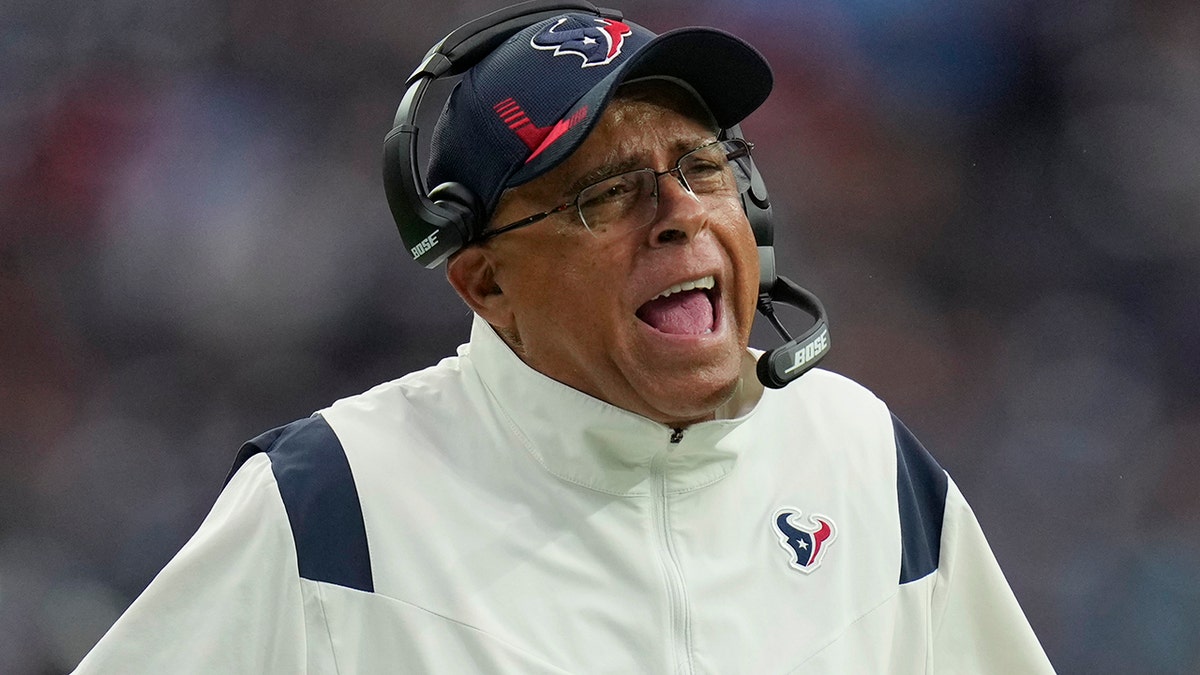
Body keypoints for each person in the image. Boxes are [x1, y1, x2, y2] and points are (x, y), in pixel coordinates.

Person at [75, 3, 1055, 673]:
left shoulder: (864, 457)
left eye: (702, 165)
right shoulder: (334, 501)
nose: (678, 215)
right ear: (486, 280)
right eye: (605, 194)